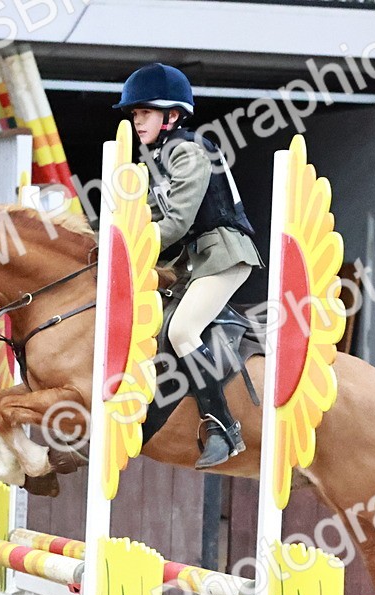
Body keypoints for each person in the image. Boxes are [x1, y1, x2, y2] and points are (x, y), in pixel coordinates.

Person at [114, 62, 263, 470]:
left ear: (172, 116)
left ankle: (224, 428)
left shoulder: (187, 150)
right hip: (199, 257)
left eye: (144, 112)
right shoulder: (161, 156)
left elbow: (175, 223)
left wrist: (124, 250)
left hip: (224, 255)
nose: (136, 119)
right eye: (135, 113)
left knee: (181, 330)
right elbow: (143, 214)